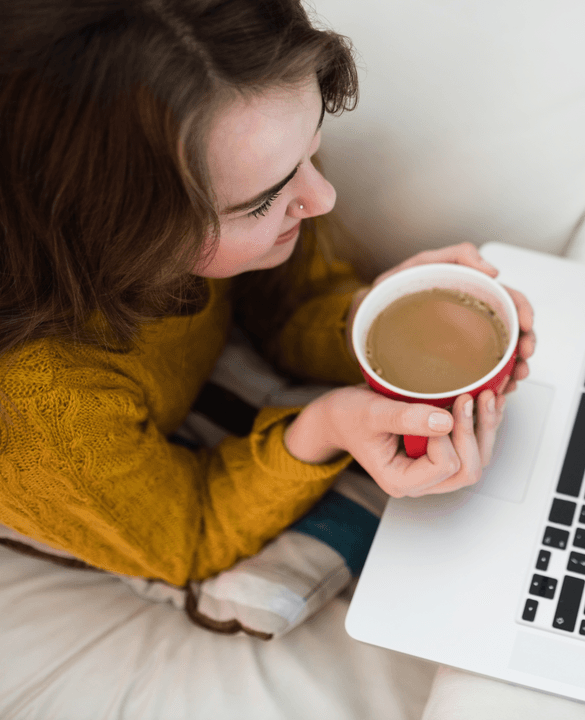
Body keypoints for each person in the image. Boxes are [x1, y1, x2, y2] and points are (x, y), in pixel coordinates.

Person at [0, 0, 535, 594]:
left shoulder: (251, 146)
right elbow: (188, 534)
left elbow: (286, 303)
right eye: (261, 202)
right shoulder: (43, 407)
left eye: (312, 147)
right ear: (111, 230)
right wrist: (319, 431)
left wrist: (371, 317)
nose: (324, 196)